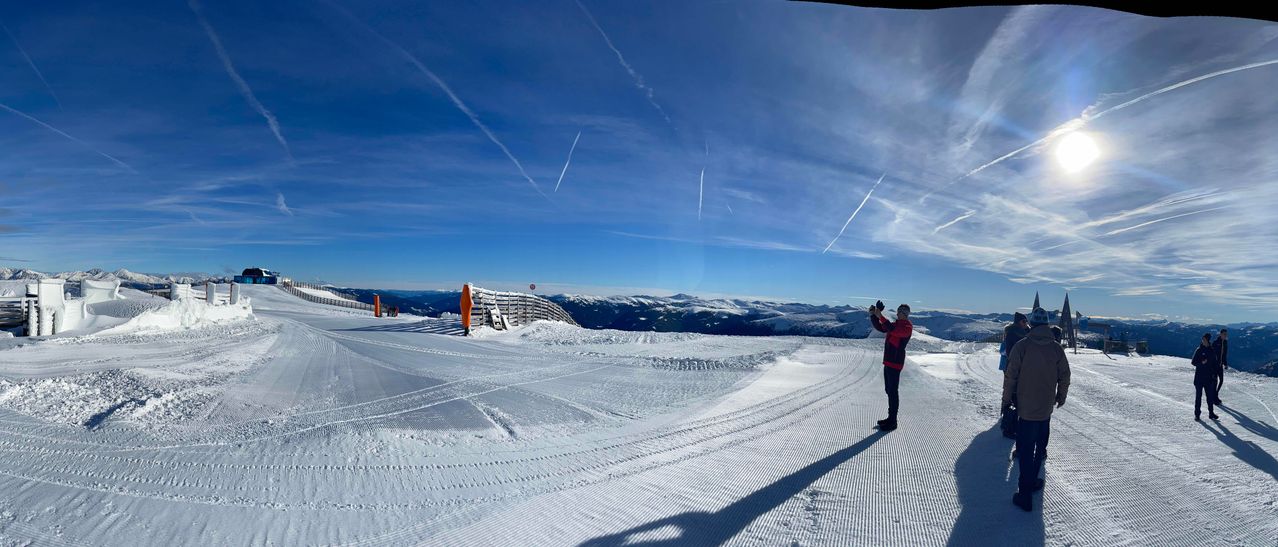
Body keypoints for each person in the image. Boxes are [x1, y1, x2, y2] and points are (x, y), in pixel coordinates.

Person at [1003, 307, 1070, 512]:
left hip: (1026, 408)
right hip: (1045, 407)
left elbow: (1011, 376)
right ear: (1047, 325)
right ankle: (1032, 482)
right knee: (1040, 444)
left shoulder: (1022, 347)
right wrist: (1061, 396)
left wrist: (1006, 401)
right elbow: (1065, 376)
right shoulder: (1056, 348)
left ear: (1031, 323)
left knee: (1025, 448)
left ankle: (1024, 494)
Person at [870, 301, 913, 432]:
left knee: (893, 392)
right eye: (898, 311)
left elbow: (892, 330)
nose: (898, 313)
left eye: (900, 311)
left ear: (905, 314)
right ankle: (890, 418)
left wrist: (880, 315)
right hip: (888, 361)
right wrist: (873, 315)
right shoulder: (895, 324)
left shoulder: (907, 327)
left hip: (895, 363)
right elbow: (881, 327)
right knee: (889, 390)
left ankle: (893, 421)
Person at [1191, 333, 1219, 421]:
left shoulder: (1211, 350)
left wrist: (1215, 374)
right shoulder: (1199, 350)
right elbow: (1193, 362)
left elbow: (1215, 364)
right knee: (1198, 397)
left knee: (1209, 397)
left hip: (1209, 378)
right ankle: (1197, 414)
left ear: (1208, 340)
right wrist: (1201, 363)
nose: (1203, 341)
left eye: (1204, 340)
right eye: (1202, 339)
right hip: (1199, 378)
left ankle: (1211, 413)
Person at [1212, 328, 1228, 405]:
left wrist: (1225, 363)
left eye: (1226, 334)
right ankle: (1214, 398)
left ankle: (1215, 395)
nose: (1225, 336)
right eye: (1224, 334)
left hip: (1220, 365)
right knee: (1215, 382)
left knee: (1221, 380)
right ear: (1220, 334)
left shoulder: (1225, 343)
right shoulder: (1215, 342)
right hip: (1214, 366)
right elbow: (1211, 354)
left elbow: (1224, 355)